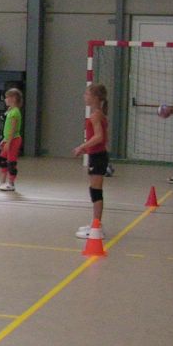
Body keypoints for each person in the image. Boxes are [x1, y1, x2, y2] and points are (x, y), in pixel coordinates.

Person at [72, 84, 109, 239]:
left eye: (87, 94)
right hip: (97, 155)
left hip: (98, 156)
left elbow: (99, 137)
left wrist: (82, 146)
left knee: (96, 192)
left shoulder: (95, 115)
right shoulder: (98, 114)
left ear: (95, 98)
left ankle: (97, 226)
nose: (84, 96)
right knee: (94, 190)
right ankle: (95, 223)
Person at [0, 88, 23, 191]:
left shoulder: (15, 112)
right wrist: (4, 140)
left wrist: (9, 141)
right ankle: (2, 180)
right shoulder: (10, 111)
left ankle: (11, 183)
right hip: (8, 139)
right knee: (2, 158)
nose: (5, 99)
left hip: (14, 140)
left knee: (11, 161)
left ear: (13, 98)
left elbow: (13, 129)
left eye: (7, 97)